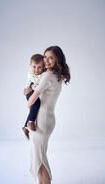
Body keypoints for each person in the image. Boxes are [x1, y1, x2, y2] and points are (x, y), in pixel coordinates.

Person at [27, 46, 70, 184]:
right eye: (45, 57)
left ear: (58, 59)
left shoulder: (47, 76)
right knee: (40, 156)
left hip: (41, 120)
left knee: (39, 158)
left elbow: (31, 101)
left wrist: (28, 92)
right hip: (48, 119)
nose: (46, 60)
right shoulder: (57, 76)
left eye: (50, 57)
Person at [22, 54, 44, 139]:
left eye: (39, 67)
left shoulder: (42, 74)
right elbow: (31, 84)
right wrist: (29, 88)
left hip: (32, 90)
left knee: (33, 109)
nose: (36, 69)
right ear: (30, 66)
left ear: (43, 67)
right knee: (36, 103)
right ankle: (31, 122)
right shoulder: (31, 73)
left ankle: (25, 127)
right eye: (34, 66)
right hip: (29, 92)